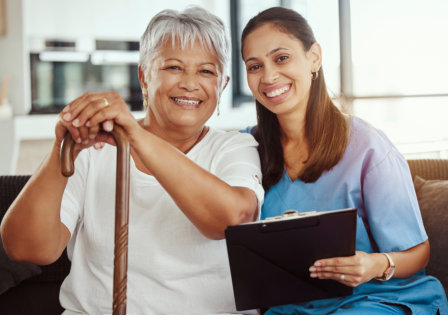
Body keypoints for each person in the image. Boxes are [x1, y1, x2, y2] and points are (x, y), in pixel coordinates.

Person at [1, 7, 264, 314]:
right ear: (143, 76)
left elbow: (231, 220)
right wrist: (63, 149)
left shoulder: (234, 147)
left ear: (222, 85)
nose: (190, 83)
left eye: (206, 71)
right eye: (174, 67)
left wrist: (136, 137)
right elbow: (26, 249)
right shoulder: (94, 151)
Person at [240, 6, 448, 315]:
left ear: (314, 58)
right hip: (293, 309)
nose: (269, 76)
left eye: (281, 58)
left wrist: (374, 264)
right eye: (254, 66)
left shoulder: (366, 145)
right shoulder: (245, 149)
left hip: (377, 299)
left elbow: (418, 253)